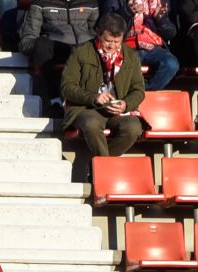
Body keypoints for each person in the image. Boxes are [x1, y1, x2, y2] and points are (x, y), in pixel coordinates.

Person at [61, 14, 147, 165]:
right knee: (91, 124)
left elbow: (138, 90)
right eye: (108, 41)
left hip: (117, 110)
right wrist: (93, 97)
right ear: (99, 35)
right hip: (86, 108)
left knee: (133, 128)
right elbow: (67, 87)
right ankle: (106, 168)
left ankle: (99, 165)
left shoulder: (131, 56)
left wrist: (126, 104)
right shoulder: (80, 52)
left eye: (117, 41)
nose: (112, 46)